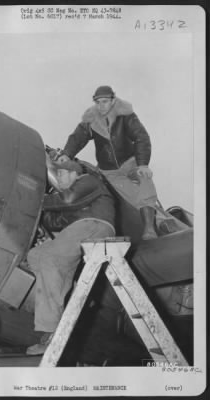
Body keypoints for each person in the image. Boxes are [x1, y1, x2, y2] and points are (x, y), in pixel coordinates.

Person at [26, 159, 121, 355]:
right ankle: (68, 295)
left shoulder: (88, 181)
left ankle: (53, 331)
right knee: (37, 255)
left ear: (74, 174)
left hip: (96, 225)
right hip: (83, 227)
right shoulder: (76, 201)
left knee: (52, 259)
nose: (58, 178)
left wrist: (33, 199)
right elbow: (55, 220)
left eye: (61, 173)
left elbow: (67, 199)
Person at [59, 85, 162, 240]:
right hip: (109, 171)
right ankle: (153, 222)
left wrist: (142, 164)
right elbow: (78, 137)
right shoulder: (91, 119)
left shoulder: (126, 116)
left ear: (113, 101)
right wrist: (67, 154)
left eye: (105, 101)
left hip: (130, 163)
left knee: (145, 180)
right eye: (98, 102)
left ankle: (149, 229)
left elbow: (142, 137)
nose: (101, 106)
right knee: (128, 198)